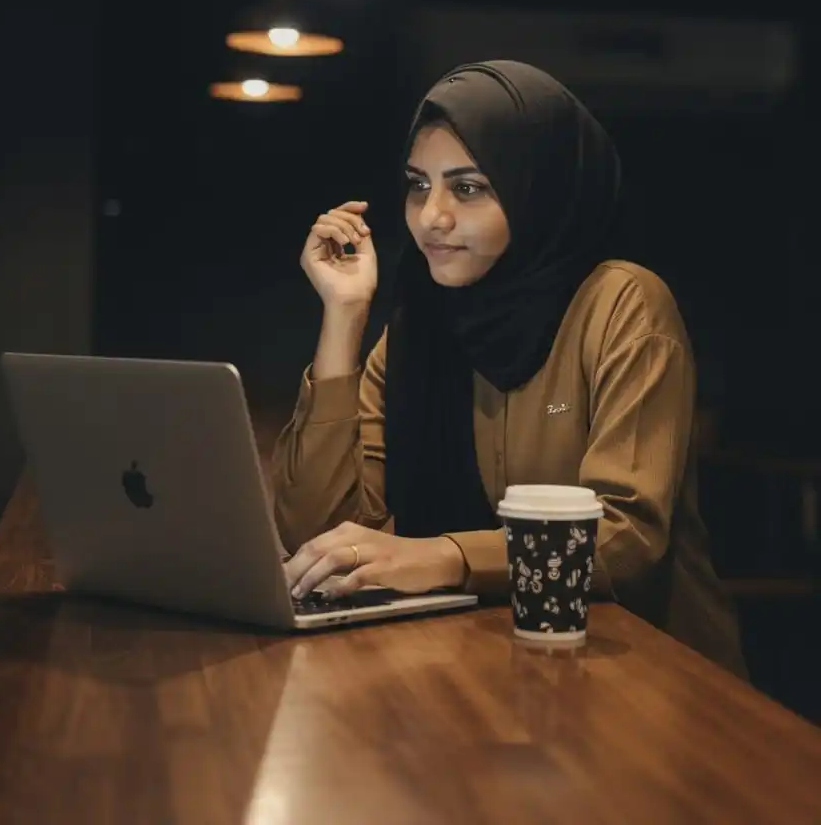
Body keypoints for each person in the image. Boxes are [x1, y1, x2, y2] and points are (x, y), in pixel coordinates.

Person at [272, 60, 745, 675]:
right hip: (474, 667)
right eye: (419, 185)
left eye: (467, 188)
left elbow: (626, 538)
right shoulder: (421, 328)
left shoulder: (621, 304)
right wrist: (343, 317)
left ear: (538, 191)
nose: (431, 216)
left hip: (648, 677)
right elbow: (323, 537)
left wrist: (444, 556)